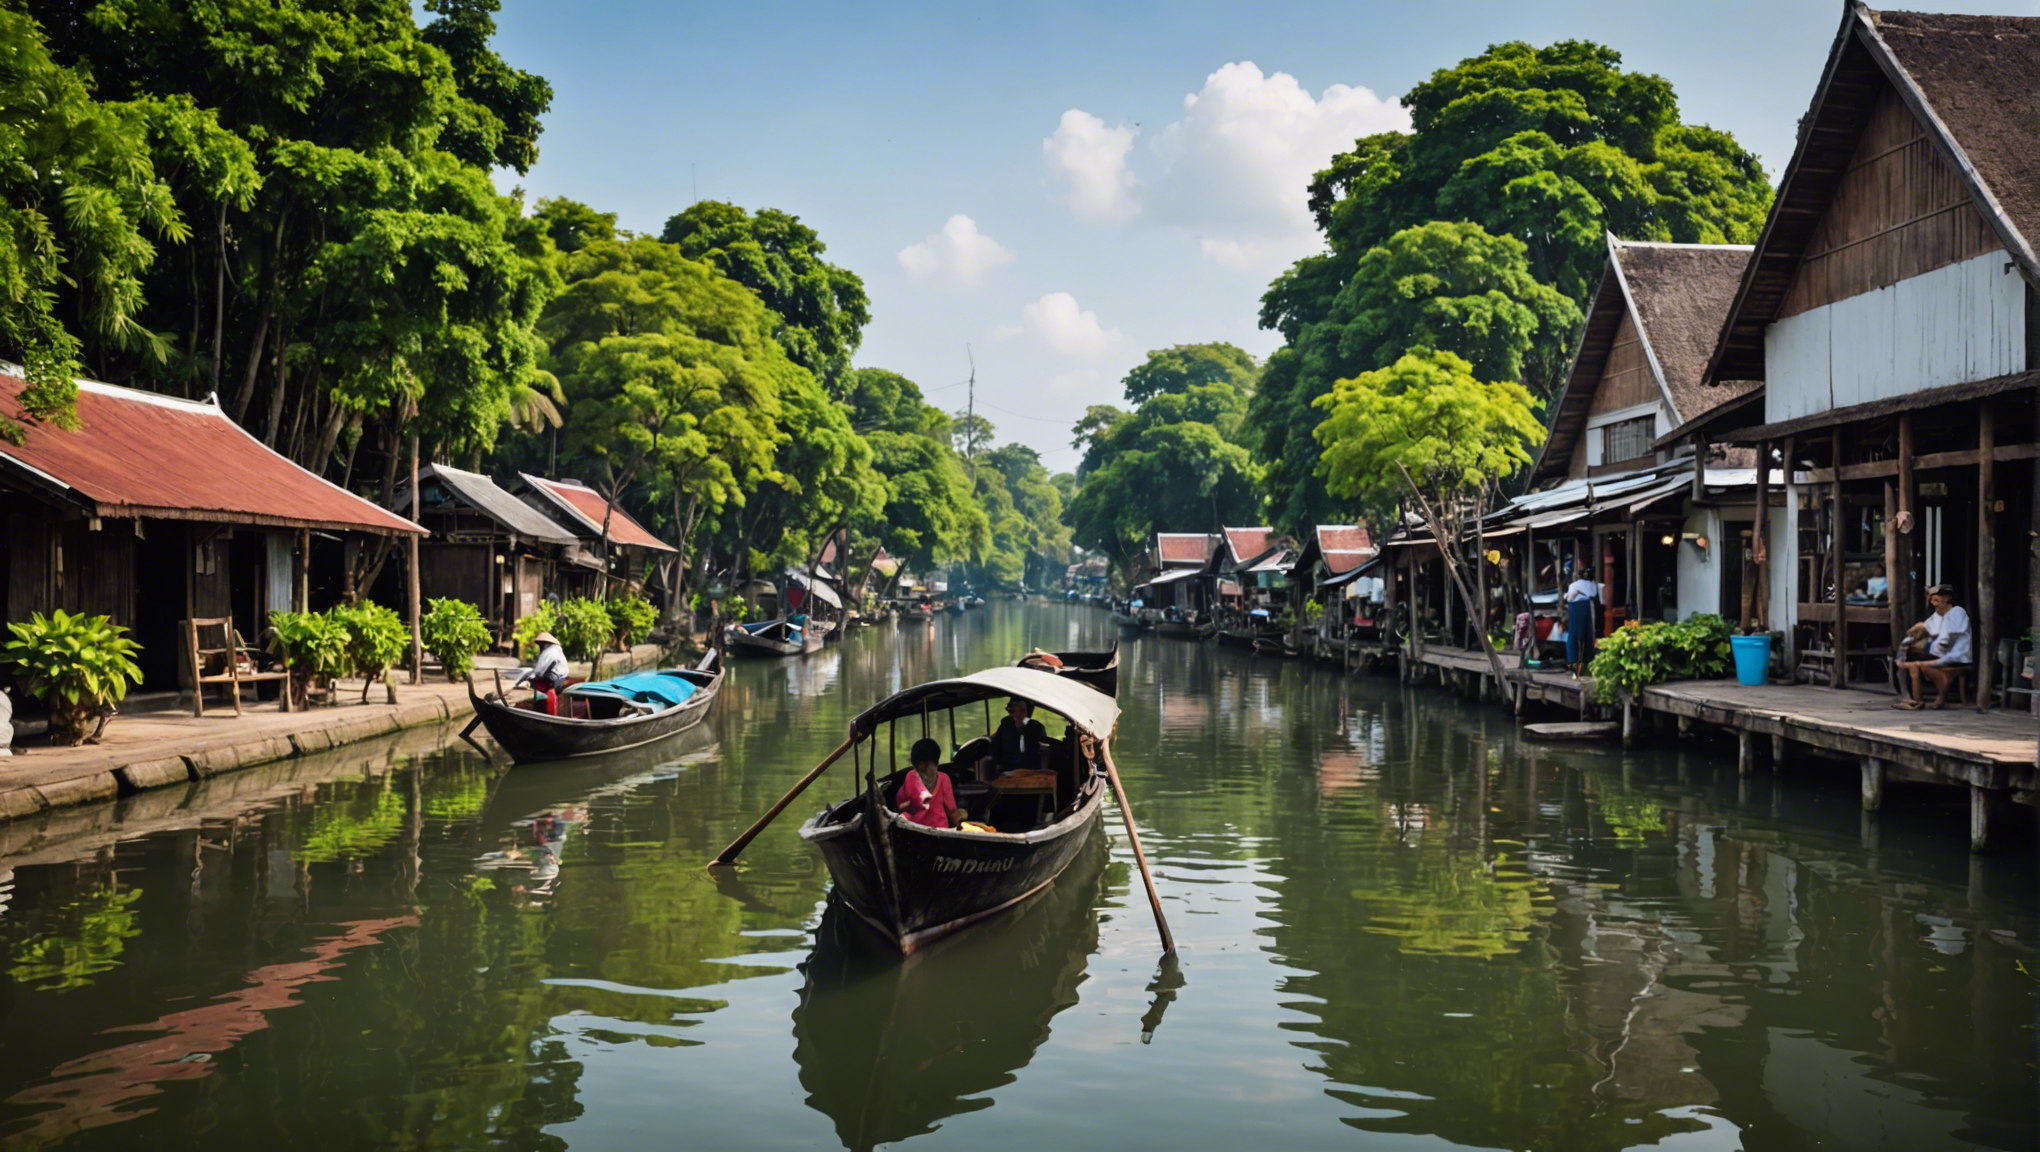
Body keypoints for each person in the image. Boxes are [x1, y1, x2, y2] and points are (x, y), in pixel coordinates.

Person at [1894, 583, 1971, 709]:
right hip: (1939, 653)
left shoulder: (1957, 612)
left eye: (1937, 596)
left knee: (1916, 664)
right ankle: (1915, 700)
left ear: (1947, 597)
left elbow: (1947, 642)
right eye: (1931, 597)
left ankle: (1938, 696)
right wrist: (1914, 634)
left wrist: (1927, 642)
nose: (1932, 600)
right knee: (1907, 657)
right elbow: (1922, 630)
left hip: (1954, 656)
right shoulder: (1936, 616)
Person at [978, 697, 1049, 781]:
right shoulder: (1005, 726)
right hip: (1010, 773)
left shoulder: (1036, 727)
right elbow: (995, 750)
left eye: (1021, 710)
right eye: (1012, 710)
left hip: (1030, 774)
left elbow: (1044, 749)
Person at [896, 737, 959, 829]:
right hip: (936, 829)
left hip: (918, 829)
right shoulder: (943, 778)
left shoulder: (911, 776)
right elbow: (952, 810)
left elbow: (902, 805)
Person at [513, 630, 569, 715]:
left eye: (540, 644)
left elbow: (539, 671)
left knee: (538, 682)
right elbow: (537, 670)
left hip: (556, 678)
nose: (539, 647)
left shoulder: (550, 652)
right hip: (560, 677)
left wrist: (531, 679)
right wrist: (519, 682)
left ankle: (538, 707)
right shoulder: (555, 650)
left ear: (545, 643)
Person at [1564, 565, 1599, 675]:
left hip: (1576, 607)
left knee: (1574, 635)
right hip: (1588, 606)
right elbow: (1594, 594)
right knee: (1588, 635)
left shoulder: (1574, 585)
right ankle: (1588, 661)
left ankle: (1573, 661)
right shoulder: (1593, 585)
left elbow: (1570, 598)